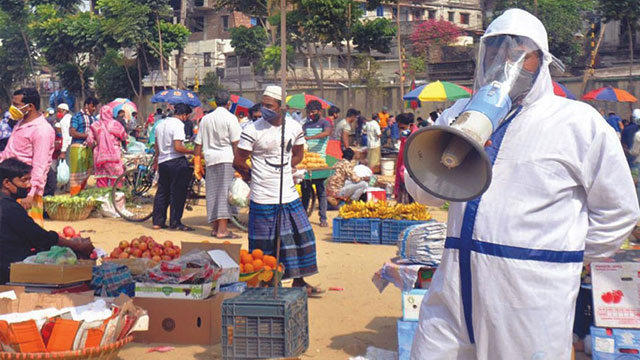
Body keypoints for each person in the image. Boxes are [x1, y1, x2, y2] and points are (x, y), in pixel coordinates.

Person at [406, 9, 639, 359]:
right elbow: (423, 191)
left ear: (541, 61)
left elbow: (618, 211)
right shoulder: (458, 113)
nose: (505, 61)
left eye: (519, 53)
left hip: (530, 298)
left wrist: (559, 256)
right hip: (454, 287)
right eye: (496, 50)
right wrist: (446, 148)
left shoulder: (577, 123)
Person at [233, 85, 322, 296]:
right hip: (263, 196)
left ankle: (299, 281)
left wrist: (287, 167)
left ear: (282, 107)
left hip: (288, 194)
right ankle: (268, 284)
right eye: (263, 105)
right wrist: (251, 175)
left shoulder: (294, 127)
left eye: (269, 106)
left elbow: (299, 153)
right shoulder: (252, 130)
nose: (265, 109)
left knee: (299, 237)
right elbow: (238, 160)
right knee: (264, 245)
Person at [0, 158, 94, 284]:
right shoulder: (9, 208)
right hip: (8, 270)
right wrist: (77, 245)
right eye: (24, 180)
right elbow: (39, 237)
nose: (29, 185)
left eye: (29, 179)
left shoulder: (8, 204)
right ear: (6, 183)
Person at [0, 88, 55, 227]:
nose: (13, 108)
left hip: (25, 188)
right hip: (10, 184)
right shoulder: (20, 123)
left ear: (30, 106)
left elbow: (40, 164)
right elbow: (9, 152)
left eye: (17, 105)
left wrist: (31, 193)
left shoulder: (42, 130)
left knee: (27, 230)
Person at [194, 91, 242, 239]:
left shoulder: (206, 119)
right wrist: (239, 162)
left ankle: (215, 228)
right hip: (227, 158)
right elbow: (236, 143)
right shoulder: (231, 118)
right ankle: (222, 230)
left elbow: (198, 144)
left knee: (213, 193)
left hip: (210, 159)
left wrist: (197, 162)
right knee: (224, 194)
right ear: (229, 103)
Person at [152, 103, 195, 231]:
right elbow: (178, 147)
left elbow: (157, 146)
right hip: (175, 161)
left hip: (163, 161)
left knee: (162, 192)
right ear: (184, 115)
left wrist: (156, 160)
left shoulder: (160, 124)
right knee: (177, 193)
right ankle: (175, 222)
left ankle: (157, 221)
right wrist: (193, 152)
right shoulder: (178, 125)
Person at [301, 100, 332, 227]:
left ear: (320, 111)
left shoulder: (325, 123)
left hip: (320, 162)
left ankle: (323, 218)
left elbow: (327, 133)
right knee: (305, 191)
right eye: (309, 112)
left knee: (321, 191)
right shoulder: (306, 125)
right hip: (307, 161)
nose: (310, 115)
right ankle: (303, 218)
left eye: (313, 112)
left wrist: (310, 138)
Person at [86, 106, 127, 188]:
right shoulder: (115, 124)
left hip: (99, 155)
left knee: (101, 179)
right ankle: (116, 197)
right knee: (116, 178)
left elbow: (89, 141)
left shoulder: (95, 125)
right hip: (114, 155)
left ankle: (103, 198)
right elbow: (124, 136)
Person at [69, 97, 99, 195]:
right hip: (78, 147)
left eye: (95, 107)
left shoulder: (94, 119)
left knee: (87, 173)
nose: (94, 109)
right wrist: (88, 136)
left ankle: (80, 194)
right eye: (92, 106)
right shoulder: (77, 117)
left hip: (89, 149)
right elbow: (72, 132)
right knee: (77, 175)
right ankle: (74, 195)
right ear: (86, 105)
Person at [393, 113, 415, 204]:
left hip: (411, 175)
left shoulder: (416, 137)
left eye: (402, 127)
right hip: (403, 174)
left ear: (410, 126)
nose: (400, 130)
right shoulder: (405, 137)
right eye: (399, 128)